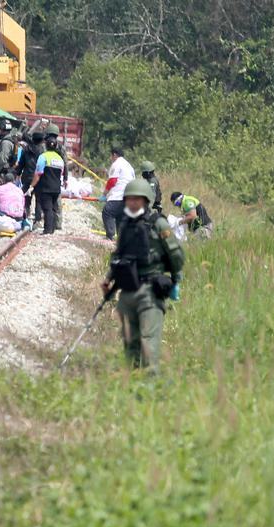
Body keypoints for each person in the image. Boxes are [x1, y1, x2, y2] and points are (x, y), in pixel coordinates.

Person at [102, 179, 185, 372]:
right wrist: (108, 279)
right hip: (127, 290)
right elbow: (118, 254)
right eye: (129, 199)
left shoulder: (159, 224)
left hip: (150, 291)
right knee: (130, 341)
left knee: (148, 341)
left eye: (137, 199)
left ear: (146, 200)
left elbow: (176, 254)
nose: (132, 203)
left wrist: (175, 278)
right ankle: (133, 381)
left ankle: (150, 386)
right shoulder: (125, 224)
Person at [27, 135, 66, 234]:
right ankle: (52, 228)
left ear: (46, 146)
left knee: (47, 208)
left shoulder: (43, 157)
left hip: (45, 187)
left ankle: (48, 230)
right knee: (53, 208)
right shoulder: (60, 159)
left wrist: (31, 186)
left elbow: (38, 173)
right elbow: (61, 173)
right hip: (56, 187)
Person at [100, 147, 135, 239]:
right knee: (120, 216)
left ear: (114, 155)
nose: (110, 158)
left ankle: (110, 236)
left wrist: (104, 194)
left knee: (107, 212)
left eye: (111, 156)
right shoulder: (129, 166)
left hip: (119, 196)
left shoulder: (117, 164)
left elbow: (112, 181)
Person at [15, 129, 45, 225]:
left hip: (27, 176)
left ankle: (25, 216)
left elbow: (21, 164)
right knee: (39, 199)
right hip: (39, 178)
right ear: (41, 140)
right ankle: (37, 218)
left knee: (27, 198)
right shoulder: (43, 151)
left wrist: (18, 174)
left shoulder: (26, 149)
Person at [45, 125, 69, 230]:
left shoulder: (45, 145)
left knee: (46, 200)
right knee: (57, 201)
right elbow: (65, 164)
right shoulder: (61, 147)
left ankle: (47, 222)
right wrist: (65, 178)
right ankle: (58, 223)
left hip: (46, 175)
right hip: (57, 176)